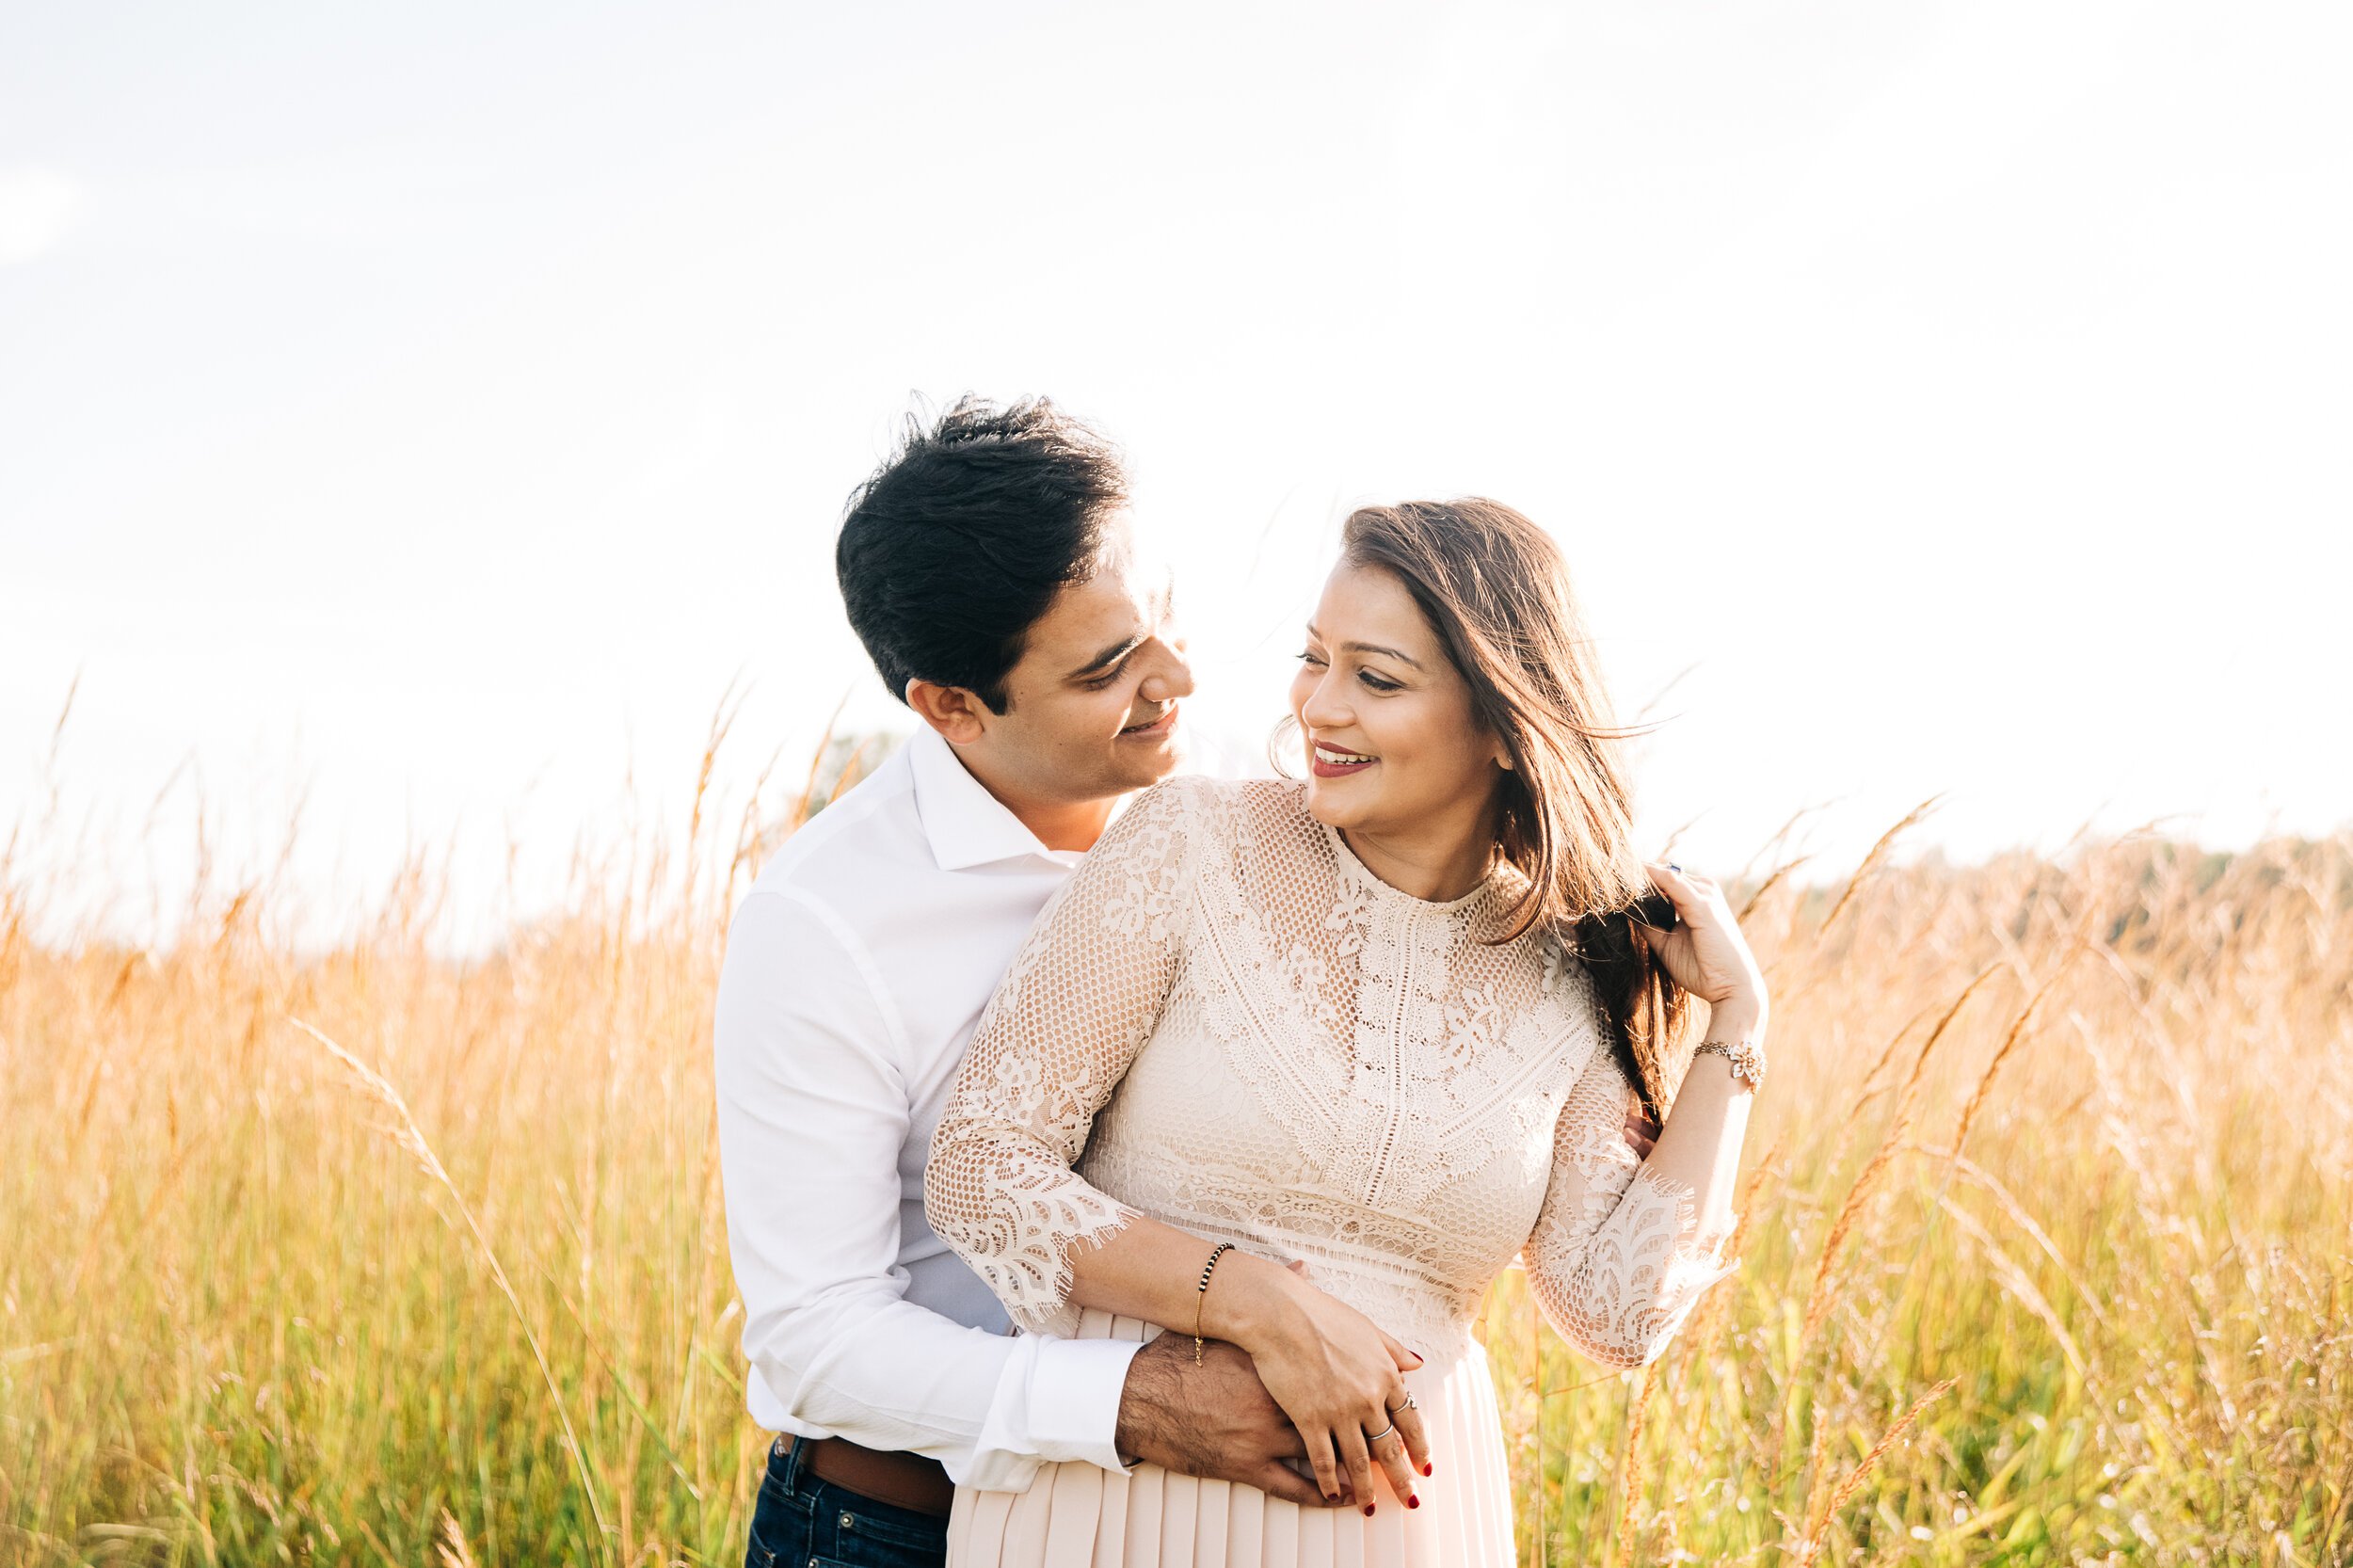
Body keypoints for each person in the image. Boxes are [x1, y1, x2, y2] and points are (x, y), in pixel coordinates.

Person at [923, 499, 1769, 1568]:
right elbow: (979, 1170)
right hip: (1116, 1509)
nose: (1319, 706)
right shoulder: (1190, 844)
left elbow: (1615, 1316)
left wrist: (1736, 1029)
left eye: (1375, 678)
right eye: (1313, 658)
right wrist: (1260, 1302)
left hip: (1398, 1533)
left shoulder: (1567, 969)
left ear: (1507, 728)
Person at [712, 397, 1345, 1568]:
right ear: (952, 707)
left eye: (1161, 625)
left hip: (1176, 1524)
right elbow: (814, 1339)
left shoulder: (1224, 813)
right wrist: (1136, 1401)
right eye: (1109, 669)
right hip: (898, 1528)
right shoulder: (824, 922)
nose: (1178, 679)